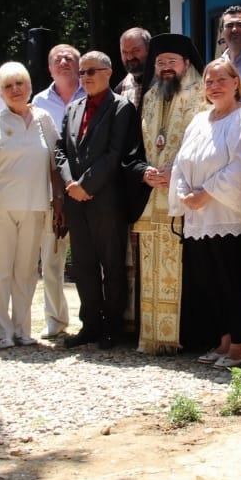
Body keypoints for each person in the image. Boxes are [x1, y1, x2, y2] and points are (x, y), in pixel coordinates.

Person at [171, 58, 241, 369]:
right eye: (209, 81)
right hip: (199, 216)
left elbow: (240, 165)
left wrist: (206, 193)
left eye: (221, 80)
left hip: (228, 215)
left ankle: (238, 345)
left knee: (231, 281)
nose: (214, 86)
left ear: (236, 82)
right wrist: (184, 192)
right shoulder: (199, 121)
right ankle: (222, 341)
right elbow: (181, 160)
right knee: (208, 282)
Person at [55, 50, 145, 349]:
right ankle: (90, 325)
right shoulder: (73, 107)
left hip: (106, 199)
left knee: (112, 264)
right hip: (75, 199)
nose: (85, 77)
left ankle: (112, 327)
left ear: (108, 72)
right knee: (83, 265)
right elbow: (60, 149)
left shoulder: (121, 108)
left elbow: (115, 154)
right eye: (82, 72)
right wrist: (70, 183)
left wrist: (86, 185)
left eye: (91, 71)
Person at [0, 62, 61, 348]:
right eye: (8, 86)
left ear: (29, 86)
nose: (15, 90)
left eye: (20, 83)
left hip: (35, 206)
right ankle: (2, 332)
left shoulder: (44, 119)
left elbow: (55, 164)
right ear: (0, 92)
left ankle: (22, 329)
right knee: (0, 271)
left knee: (26, 272)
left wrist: (58, 201)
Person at [129, 34, 206, 354]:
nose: (165, 68)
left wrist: (176, 172)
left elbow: (206, 145)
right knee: (150, 266)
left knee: (190, 269)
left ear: (186, 63)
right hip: (152, 196)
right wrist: (143, 171)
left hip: (186, 196)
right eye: (160, 63)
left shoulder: (203, 94)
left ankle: (189, 337)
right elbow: (137, 145)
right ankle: (152, 335)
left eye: (172, 62)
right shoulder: (149, 97)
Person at [31, 44, 82, 338]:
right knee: (51, 257)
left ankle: (95, 317)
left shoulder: (92, 93)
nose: (64, 61)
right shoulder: (38, 102)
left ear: (78, 65)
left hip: (87, 189)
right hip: (53, 191)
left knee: (91, 259)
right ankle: (55, 318)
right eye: (57, 59)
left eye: (69, 58)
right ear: (50, 69)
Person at [118, 28, 152, 109]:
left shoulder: (165, 83)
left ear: (149, 50)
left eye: (135, 51)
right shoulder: (120, 89)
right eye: (125, 52)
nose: (129, 57)